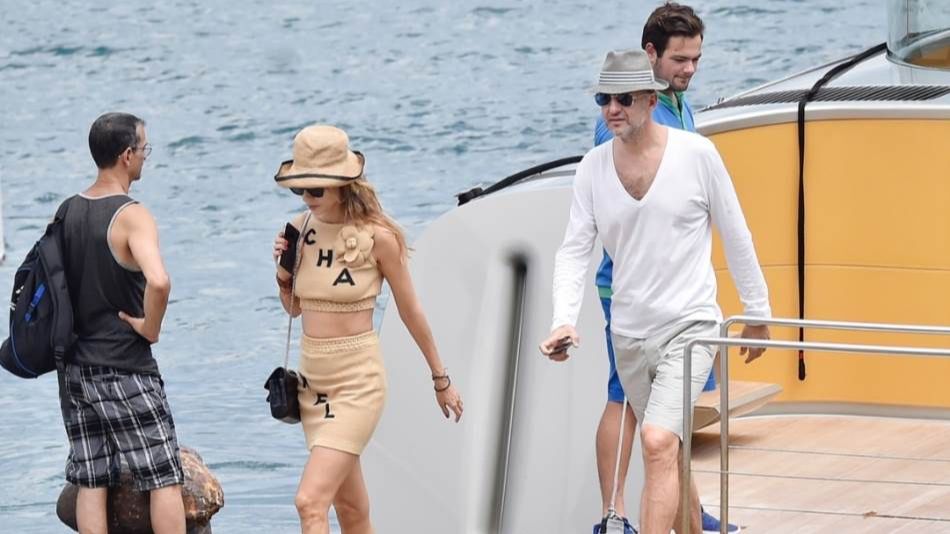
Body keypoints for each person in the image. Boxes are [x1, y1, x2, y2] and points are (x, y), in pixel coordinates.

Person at [540, 49, 770, 534]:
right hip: (629, 334)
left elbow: (736, 234)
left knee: (658, 441)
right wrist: (563, 319)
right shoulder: (593, 168)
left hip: (690, 326)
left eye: (623, 99)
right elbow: (574, 251)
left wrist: (757, 312)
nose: (612, 109)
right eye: (604, 99)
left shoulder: (697, 156)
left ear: (650, 99)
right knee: (671, 451)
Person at [589, 4, 741, 533]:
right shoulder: (624, 119)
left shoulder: (677, 104)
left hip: (674, 295)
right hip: (629, 290)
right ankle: (614, 514)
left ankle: (690, 514)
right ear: (650, 54)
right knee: (624, 402)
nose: (690, 68)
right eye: (679, 59)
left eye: (696, 58)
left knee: (664, 420)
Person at [271, 124, 463, 534]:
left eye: (316, 189)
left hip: (357, 383)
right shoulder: (299, 230)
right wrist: (283, 276)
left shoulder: (378, 238)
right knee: (351, 509)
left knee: (309, 502)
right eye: (300, 188)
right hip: (312, 384)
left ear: (343, 184)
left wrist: (440, 378)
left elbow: (411, 311)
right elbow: (295, 309)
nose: (306, 198)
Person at [60, 112, 185, 534]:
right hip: (124, 367)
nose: (146, 156)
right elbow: (159, 281)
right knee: (163, 475)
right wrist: (150, 328)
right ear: (127, 155)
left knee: (91, 479)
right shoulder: (132, 215)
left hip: (76, 370)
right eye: (144, 149)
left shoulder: (66, 211)